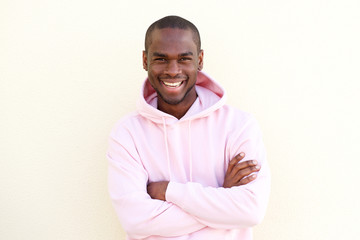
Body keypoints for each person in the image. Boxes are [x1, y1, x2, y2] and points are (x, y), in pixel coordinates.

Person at [107, 15, 271, 240]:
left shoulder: (239, 125)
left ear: (200, 59)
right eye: (161, 59)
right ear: (145, 60)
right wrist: (222, 200)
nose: (173, 70)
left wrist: (168, 191)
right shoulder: (127, 133)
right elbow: (137, 220)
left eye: (184, 58)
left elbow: (251, 210)